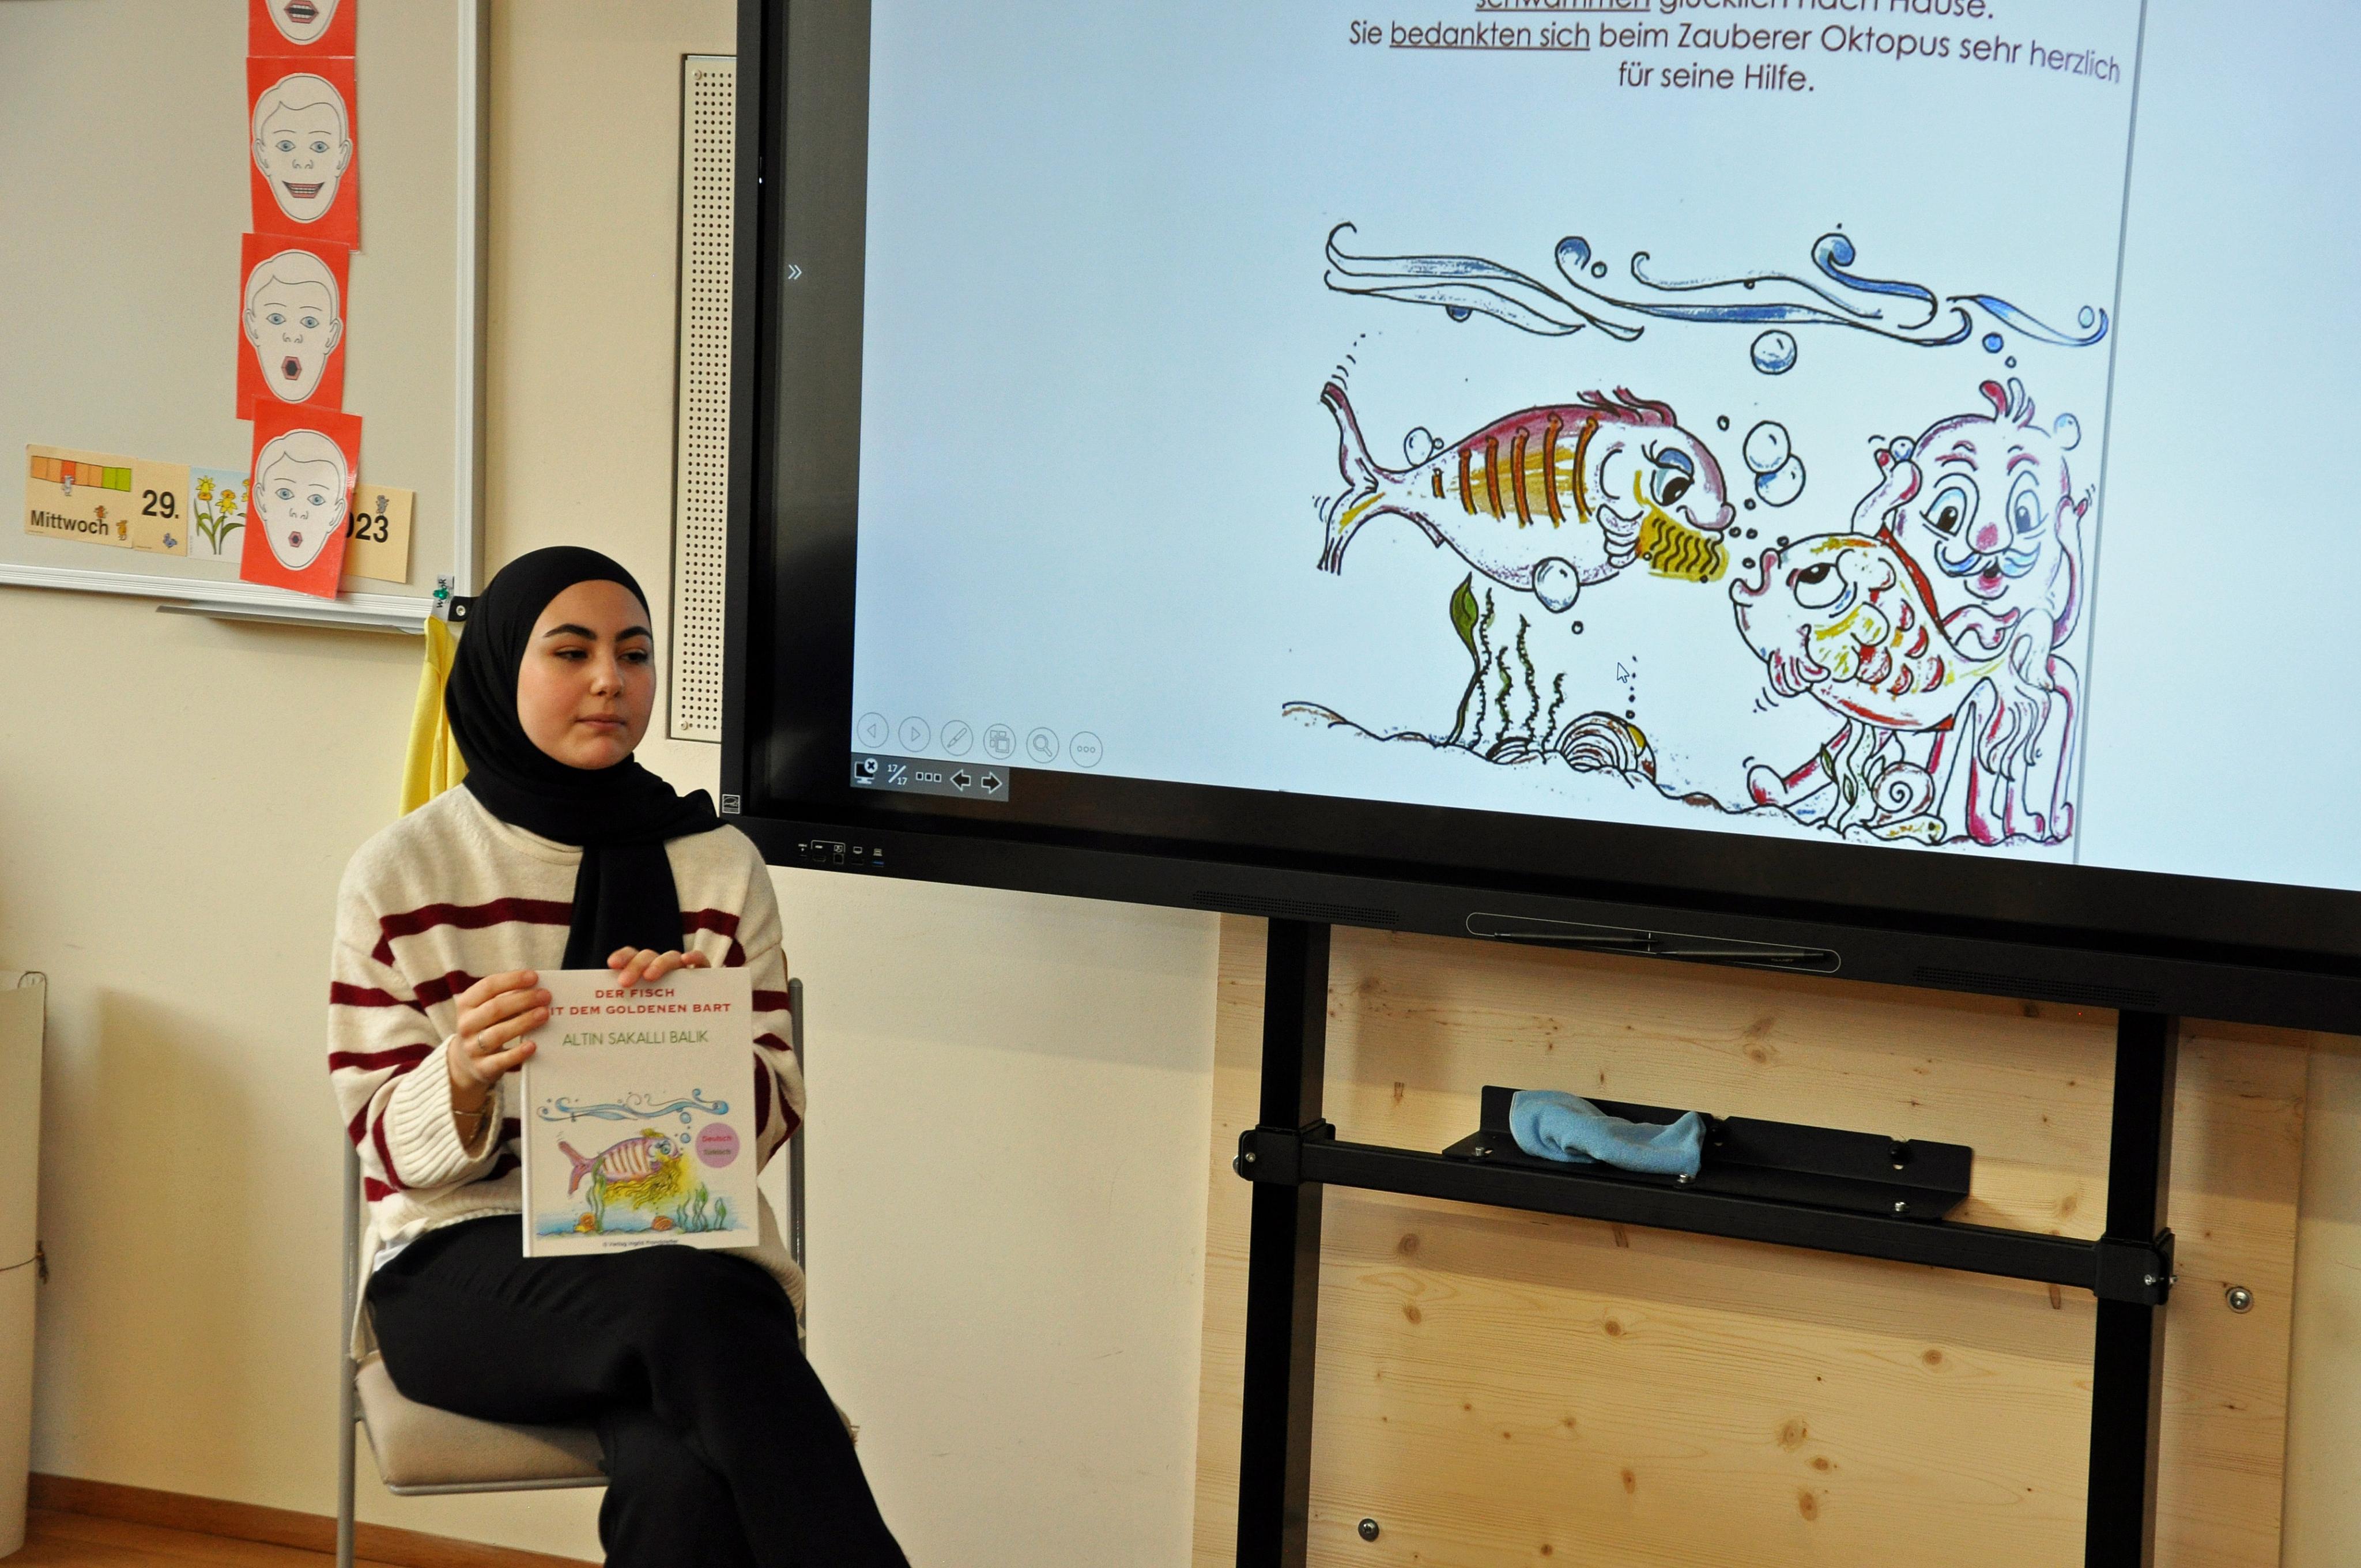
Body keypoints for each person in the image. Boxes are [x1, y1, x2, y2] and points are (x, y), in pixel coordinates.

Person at [327, 548, 909, 1567]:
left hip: (687, 1253)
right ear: (502, 670)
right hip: (463, 1266)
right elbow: (382, 1145)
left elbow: (768, 1116)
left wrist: (695, 1042)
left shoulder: (718, 866)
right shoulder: (404, 872)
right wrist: (463, 1072)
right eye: (572, 652)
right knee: (698, 1314)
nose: (610, 680)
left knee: (685, 1470)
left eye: (635, 655)